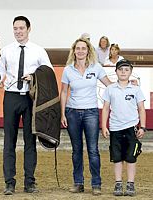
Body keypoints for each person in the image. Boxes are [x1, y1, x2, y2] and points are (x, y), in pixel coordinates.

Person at [0, 15, 53, 195]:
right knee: (9, 140)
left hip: (31, 98)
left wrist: (34, 76)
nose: (18, 31)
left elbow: (48, 72)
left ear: (29, 29)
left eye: (21, 28)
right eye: (15, 28)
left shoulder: (38, 51)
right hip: (11, 97)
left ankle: (30, 182)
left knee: (30, 140)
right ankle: (9, 182)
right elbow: (0, 72)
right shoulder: (6, 51)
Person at [60, 37, 112, 196]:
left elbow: (109, 85)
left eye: (83, 48)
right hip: (72, 112)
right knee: (76, 150)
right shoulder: (68, 70)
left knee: (93, 150)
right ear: (74, 51)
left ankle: (96, 184)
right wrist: (63, 113)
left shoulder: (96, 68)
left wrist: (127, 85)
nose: (80, 51)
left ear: (88, 50)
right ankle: (78, 182)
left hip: (91, 113)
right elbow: (63, 92)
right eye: (78, 48)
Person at [101, 59, 146, 196]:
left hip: (132, 128)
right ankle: (118, 183)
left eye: (126, 70)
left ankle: (130, 184)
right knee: (117, 158)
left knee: (131, 157)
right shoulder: (110, 89)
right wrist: (104, 126)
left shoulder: (136, 89)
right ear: (116, 72)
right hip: (115, 129)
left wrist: (142, 127)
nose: (123, 72)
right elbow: (106, 109)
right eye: (120, 69)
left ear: (131, 72)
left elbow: (141, 109)